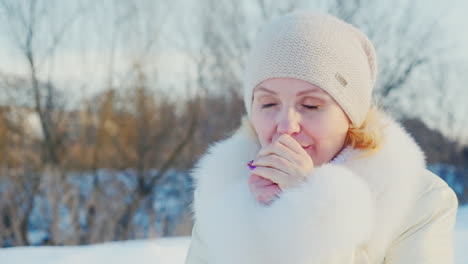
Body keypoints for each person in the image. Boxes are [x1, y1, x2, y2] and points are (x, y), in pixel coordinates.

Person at [185, 11, 458, 264]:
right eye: (268, 104)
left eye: (311, 105)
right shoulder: (222, 192)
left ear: (352, 115)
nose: (286, 126)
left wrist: (311, 212)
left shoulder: (419, 200)